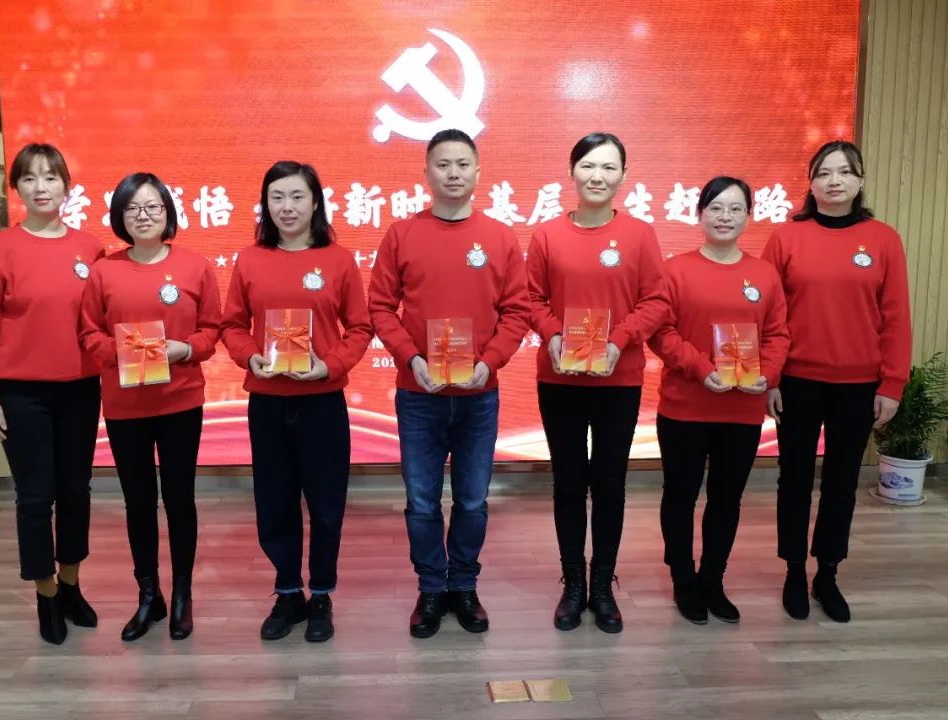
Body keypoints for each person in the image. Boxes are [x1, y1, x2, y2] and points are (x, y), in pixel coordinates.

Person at [368, 129, 529, 639]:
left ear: (479, 172)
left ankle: (464, 584)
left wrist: (491, 361)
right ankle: (431, 588)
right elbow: (380, 307)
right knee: (421, 501)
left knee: (473, 500)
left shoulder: (500, 237)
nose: (453, 173)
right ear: (426, 173)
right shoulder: (402, 234)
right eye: (443, 164)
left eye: (462, 164)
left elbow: (518, 311)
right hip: (419, 395)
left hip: (479, 395)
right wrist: (411, 358)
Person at [220, 161, 371, 643]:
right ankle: (288, 592)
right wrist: (249, 357)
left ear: (316, 203)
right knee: (274, 502)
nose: (287, 207)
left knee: (326, 505)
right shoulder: (250, 260)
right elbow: (232, 325)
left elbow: (360, 327)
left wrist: (330, 365)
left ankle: (321, 594)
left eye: (297, 196)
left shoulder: (338, 260)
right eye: (277, 197)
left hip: (323, 402)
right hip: (268, 401)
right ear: (265, 205)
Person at [763, 141, 911, 623]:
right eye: (824, 172)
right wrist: (769, 377)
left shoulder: (883, 240)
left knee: (842, 482)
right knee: (794, 479)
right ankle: (793, 570)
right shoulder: (786, 238)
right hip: (797, 381)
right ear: (810, 182)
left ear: (860, 181)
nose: (834, 181)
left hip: (859, 384)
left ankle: (826, 573)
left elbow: (896, 317)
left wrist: (892, 384)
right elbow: (768, 315)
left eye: (846, 172)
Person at [526, 132, 669, 633]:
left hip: (618, 378)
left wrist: (618, 342)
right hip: (560, 378)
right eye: (588, 165)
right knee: (568, 481)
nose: (597, 176)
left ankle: (603, 585)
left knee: (610, 483)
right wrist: (554, 336)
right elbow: (530, 298)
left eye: (609, 167)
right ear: (572, 172)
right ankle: (573, 584)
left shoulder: (640, 235)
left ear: (624, 176)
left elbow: (656, 301)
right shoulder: (547, 234)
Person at [0, 143, 104, 645]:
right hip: (20, 394)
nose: (41, 187)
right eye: (29, 178)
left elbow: (103, 321)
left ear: (67, 186)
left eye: (50, 177)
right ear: (16, 188)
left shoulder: (90, 249)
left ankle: (71, 586)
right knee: (36, 495)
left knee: (76, 491)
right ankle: (45, 596)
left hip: (81, 389)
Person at [80, 172, 221, 641]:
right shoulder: (104, 271)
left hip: (180, 400)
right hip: (125, 406)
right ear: (120, 216)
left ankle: (182, 595)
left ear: (167, 212)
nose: (143, 216)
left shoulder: (196, 267)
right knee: (138, 502)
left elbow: (212, 330)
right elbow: (89, 333)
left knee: (180, 499)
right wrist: (121, 353)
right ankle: (148, 596)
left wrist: (186, 349)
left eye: (152, 207)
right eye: (133, 208)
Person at [648, 176, 789, 624]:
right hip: (685, 405)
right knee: (681, 495)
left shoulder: (764, 275)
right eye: (715, 208)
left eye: (735, 209)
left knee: (727, 499)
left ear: (749, 216)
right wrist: (700, 368)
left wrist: (767, 374)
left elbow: (778, 334)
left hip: (741, 409)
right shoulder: (674, 270)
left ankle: (713, 579)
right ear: (700, 214)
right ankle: (683, 579)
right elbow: (661, 332)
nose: (725, 217)